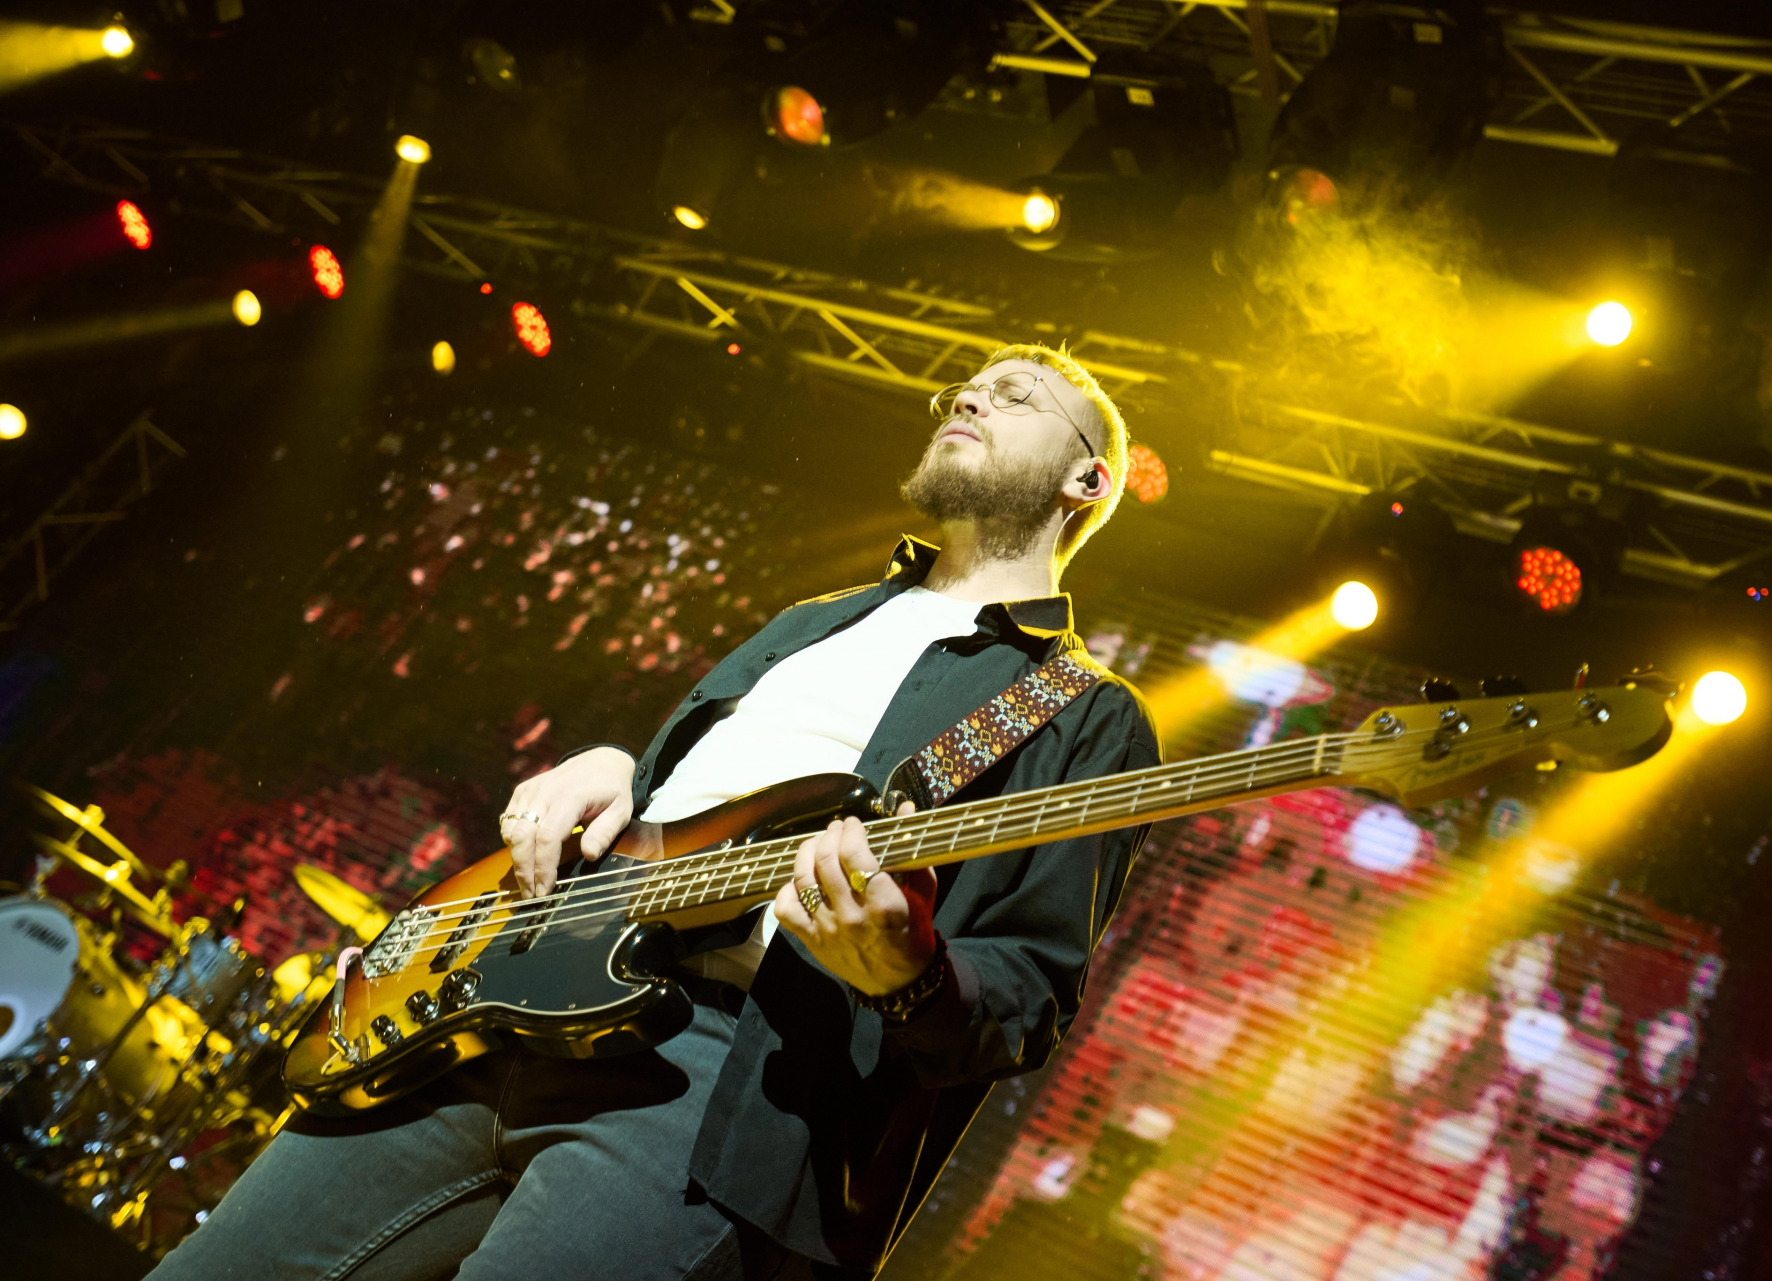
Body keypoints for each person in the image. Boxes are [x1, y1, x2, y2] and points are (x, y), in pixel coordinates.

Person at [151, 344, 1161, 1281]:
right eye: (965, 388)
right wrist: (612, 764)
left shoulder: (1079, 712)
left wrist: (910, 972)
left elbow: (1028, 991)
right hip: (503, 1014)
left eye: (1019, 394)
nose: (972, 396)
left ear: (1089, 482)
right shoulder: (813, 621)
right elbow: (665, 825)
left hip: (724, 1084)